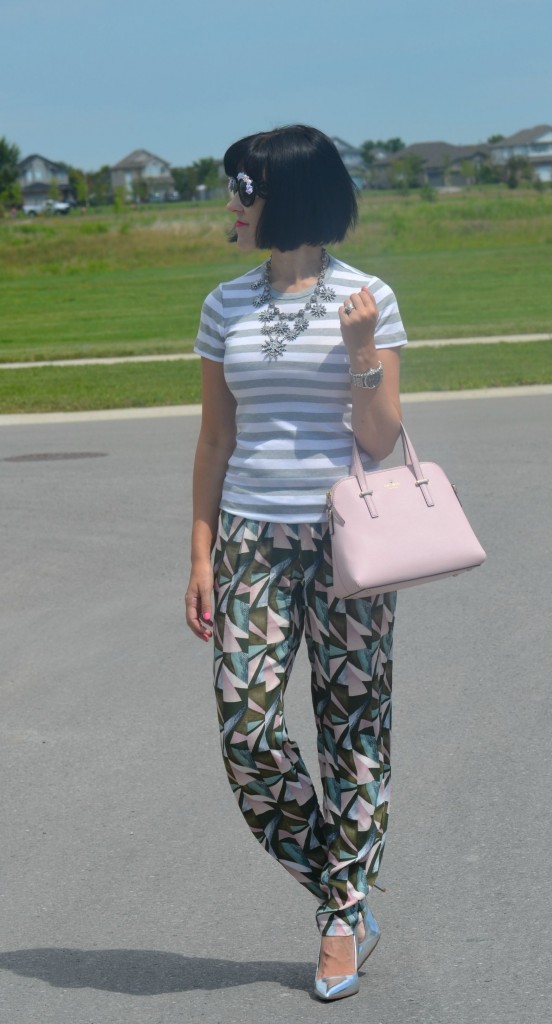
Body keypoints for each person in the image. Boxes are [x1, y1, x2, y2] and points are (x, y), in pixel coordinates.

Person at [185, 124, 407, 1002]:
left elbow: (381, 440)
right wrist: (201, 551)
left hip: (349, 537)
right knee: (248, 730)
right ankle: (343, 884)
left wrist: (360, 358)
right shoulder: (222, 305)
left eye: (242, 190)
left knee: (352, 730)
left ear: (287, 195)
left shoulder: (369, 297)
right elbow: (214, 437)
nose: (231, 206)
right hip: (249, 536)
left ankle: (343, 920)